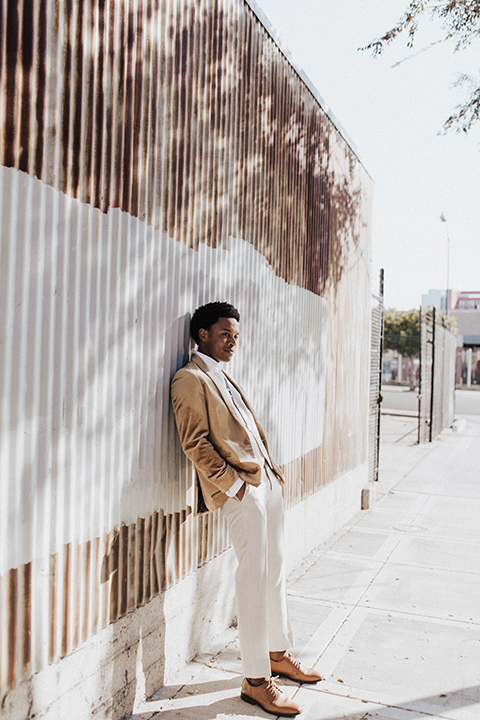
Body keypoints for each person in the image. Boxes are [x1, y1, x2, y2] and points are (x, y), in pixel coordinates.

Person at [171, 301, 322, 716]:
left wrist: (269, 476)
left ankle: (277, 653)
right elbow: (195, 443)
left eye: (236, 336)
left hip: (265, 483)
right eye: (224, 334)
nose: (232, 342)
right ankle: (256, 680)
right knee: (252, 577)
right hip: (241, 491)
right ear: (202, 334)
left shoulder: (224, 375)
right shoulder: (189, 379)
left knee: (275, 569)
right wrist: (235, 487)